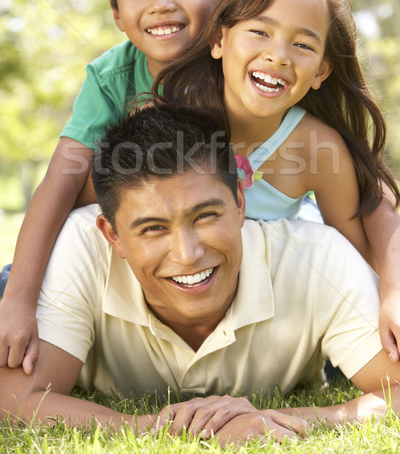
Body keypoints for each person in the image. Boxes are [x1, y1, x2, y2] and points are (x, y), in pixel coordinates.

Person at [0, 101, 400, 445]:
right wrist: (155, 427)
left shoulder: (318, 257)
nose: (187, 254)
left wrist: (284, 419)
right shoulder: (82, 246)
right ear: (113, 236)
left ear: (241, 203)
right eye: (153, 228)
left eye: (206, 215)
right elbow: (14, 398)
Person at [0, 0, 241, 374]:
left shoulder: (248, 67)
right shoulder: (111, 76)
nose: (161, 2)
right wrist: (19, 298)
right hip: (126, 248)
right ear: (116, 11)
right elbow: (60, 184)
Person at [155, 0, 400, 362]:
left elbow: (354, 260)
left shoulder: (316, 147)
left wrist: (391, 293)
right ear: (219, 40)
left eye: (302, 45)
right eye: (260, 32)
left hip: (277, 307)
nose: (279, 55)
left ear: (321, 71)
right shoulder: (175, 121)